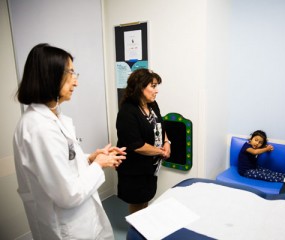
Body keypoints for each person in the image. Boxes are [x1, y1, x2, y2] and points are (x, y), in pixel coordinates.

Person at [13, 43, 126, 240]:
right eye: (71, 73)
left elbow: (63, 162)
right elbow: (68, 194)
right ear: (51, 75)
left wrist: (90, 159)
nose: (76, 82)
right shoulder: (40, 128)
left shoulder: (53, 118)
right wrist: (99, 165)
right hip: (67, 228)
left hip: (81, 220)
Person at [116, 68, 171, 214]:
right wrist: (161, 151)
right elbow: (137, 145)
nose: (156, 90)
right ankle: (136, 232)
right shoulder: (127, 112)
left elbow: (160, 126)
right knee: (137, 201)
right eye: (153, 86)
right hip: (134, 168)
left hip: (150, 166)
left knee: (145, 198)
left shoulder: (152, 105)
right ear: (140, 87)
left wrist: (167, 143)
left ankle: (143, 225)